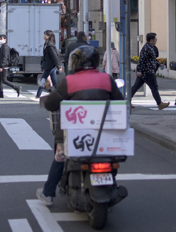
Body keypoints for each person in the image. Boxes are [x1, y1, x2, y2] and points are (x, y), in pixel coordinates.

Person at [35, 44, 124, 206]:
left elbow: (51, 104)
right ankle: (111, 183)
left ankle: (48, 192)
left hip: (75, 134)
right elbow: (119, 102)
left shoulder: (69, 81)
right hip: (103, 133)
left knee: (60, 157)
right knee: (112, 157)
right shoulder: (106, 79)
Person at [129, 32, 169, 110]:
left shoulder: (149, 47)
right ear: (151, 40)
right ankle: (159, 103)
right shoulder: (147, 48)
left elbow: (150, 60)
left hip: (145, 71)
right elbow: (141, 60)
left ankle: (127, 101)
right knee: (154, 87)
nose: (156, 41)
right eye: (155, 39)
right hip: (148, 72)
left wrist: (158, 64)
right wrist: (138, 70)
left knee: (135, 87)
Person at [35, 30, 62, 99]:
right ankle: (60, 95)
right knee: (54, 82)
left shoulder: (49, 45)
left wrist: (59, 66)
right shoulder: (47, 44)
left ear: (49, 36)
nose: (44, 36)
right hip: (51, 66)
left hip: (49, 66)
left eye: (45, 35)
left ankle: (38, 95)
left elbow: (54, 56)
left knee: (42, 80)